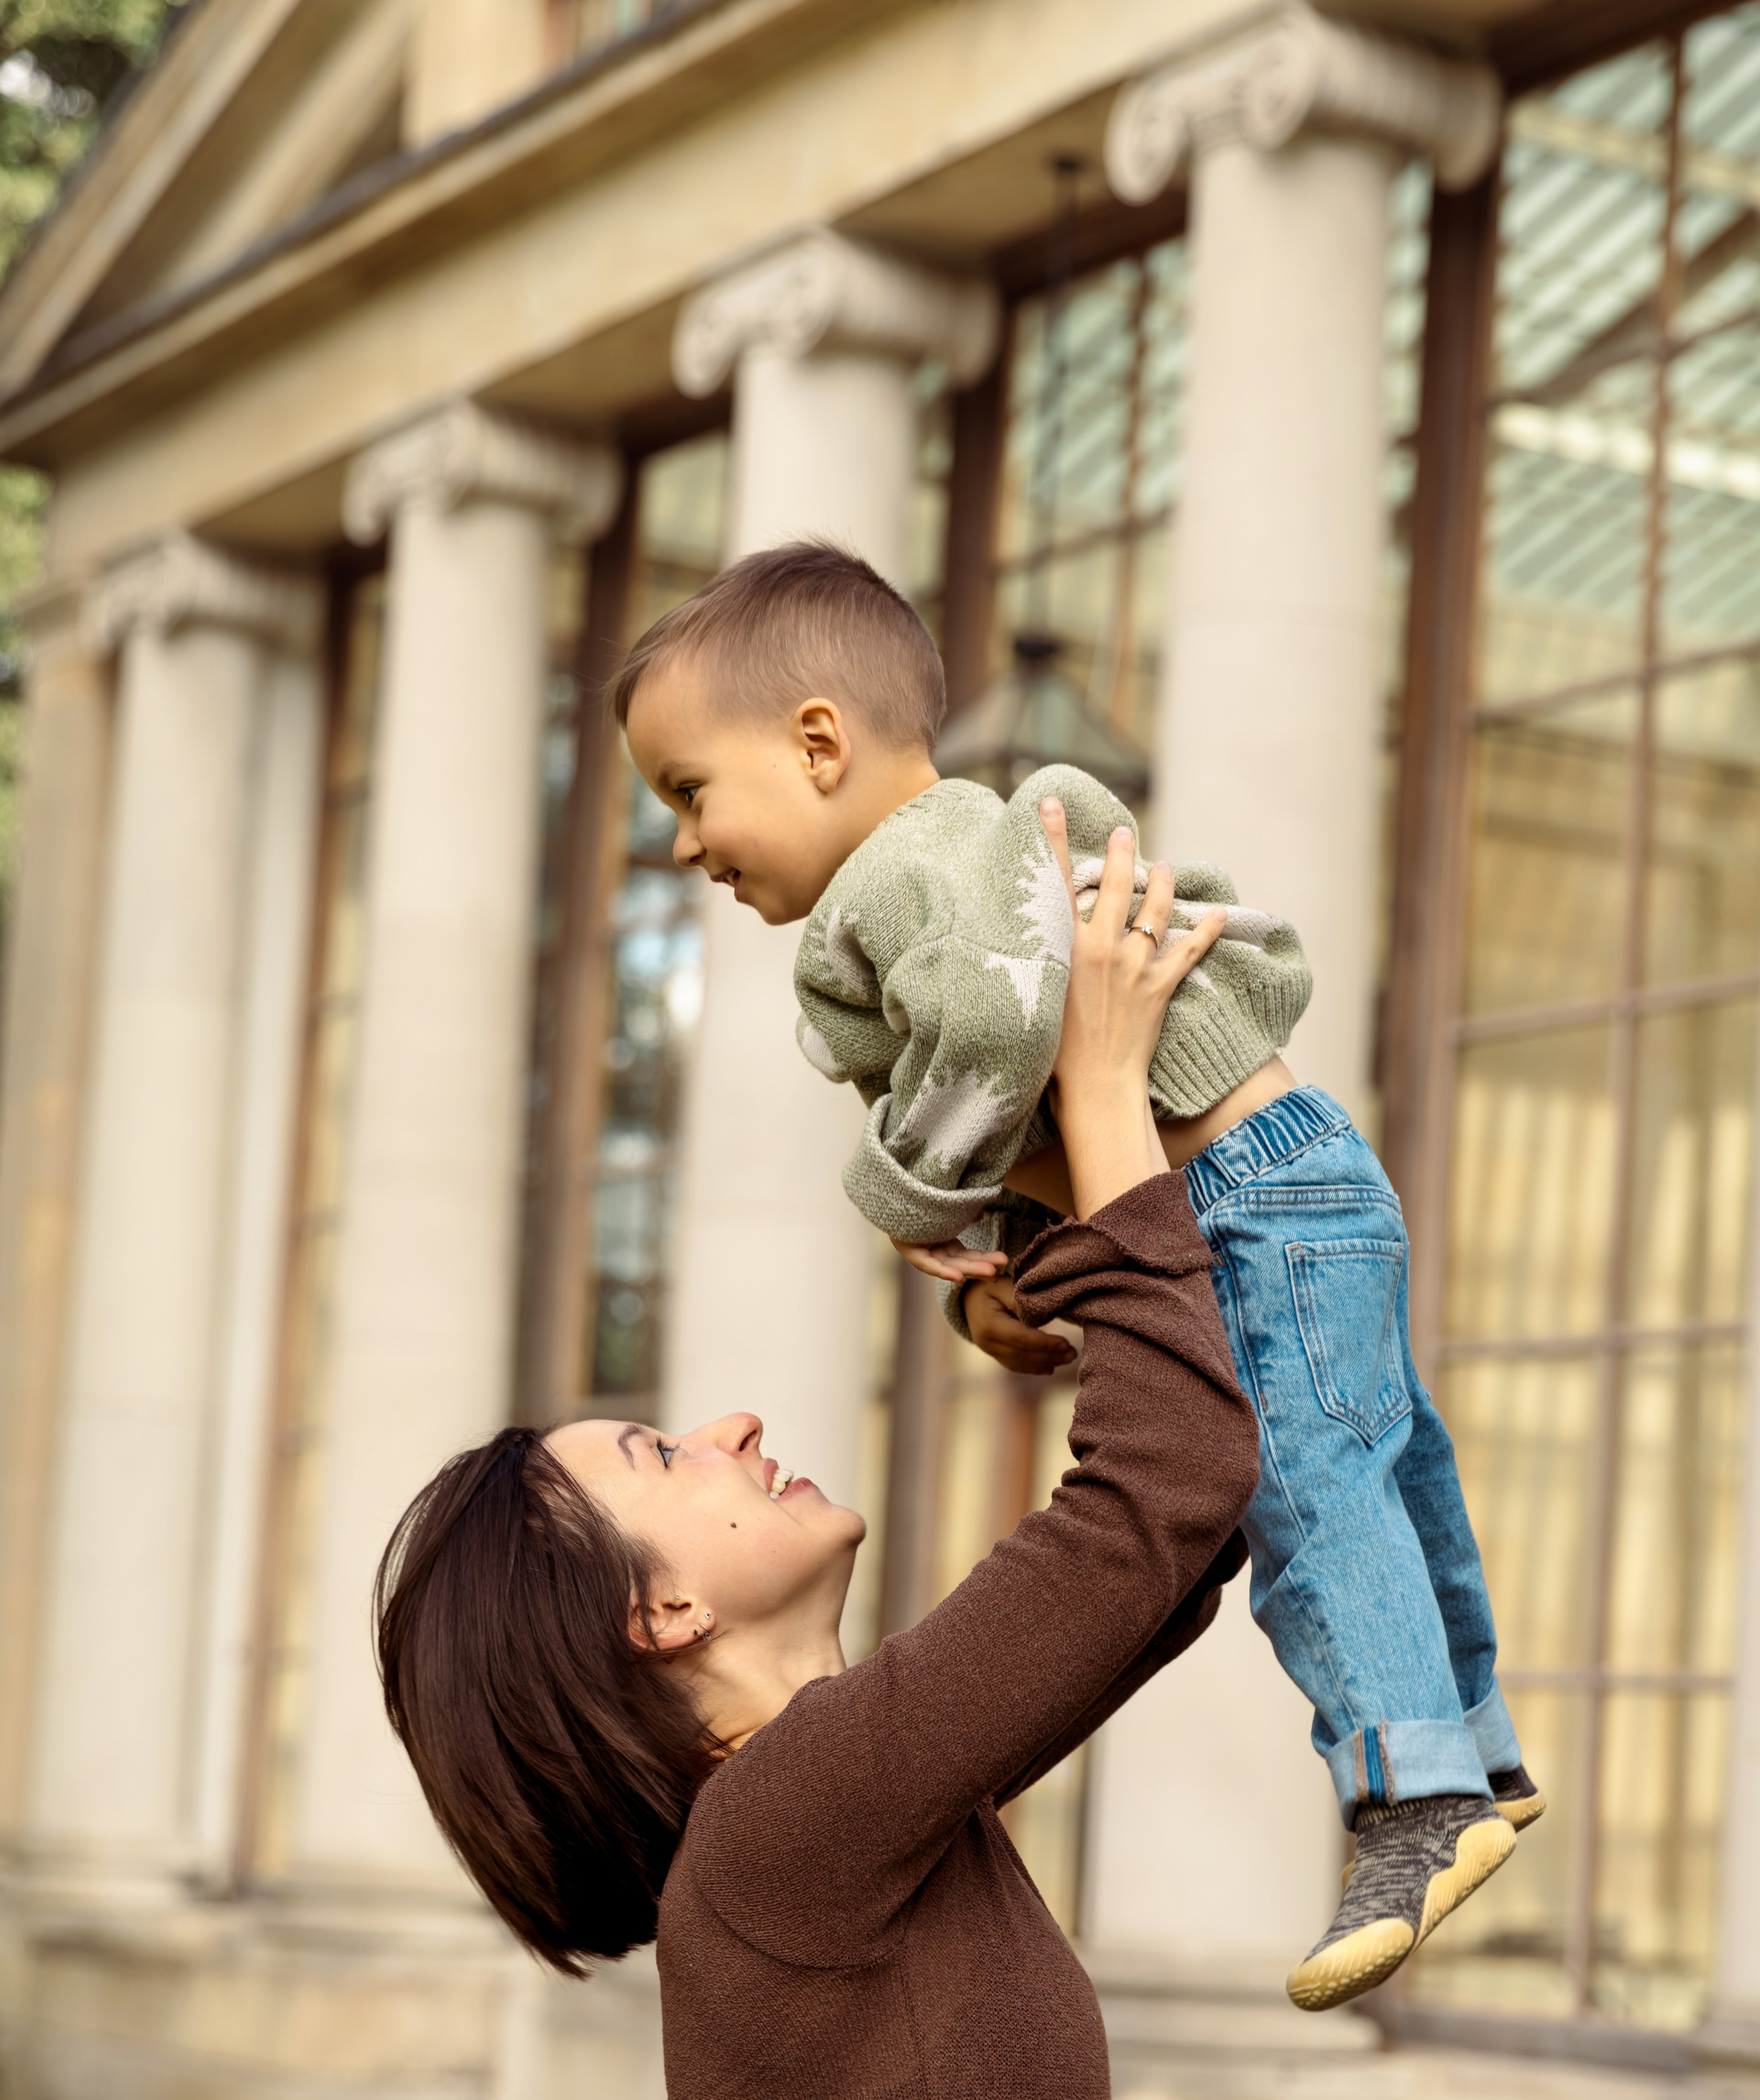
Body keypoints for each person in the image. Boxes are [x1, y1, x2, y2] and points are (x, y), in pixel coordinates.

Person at [377, 831, 1255, 2100]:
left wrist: (1068, 1229)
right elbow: (1161, 1497)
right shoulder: (789, 1832)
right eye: (659, 1452)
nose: (730, 1426)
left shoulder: (831, 1834)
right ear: (660, 1607)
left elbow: (1181, 1530)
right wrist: (1089, 1095)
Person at [615, 538, 1541, 2014]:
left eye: (685, 790)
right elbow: (1059, 1076)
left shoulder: (903, 873)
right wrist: (1019, 1267)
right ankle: (1474, 1740)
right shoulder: (969, 847)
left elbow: (1004, 1025)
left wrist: (904, 1194)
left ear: (814, 745)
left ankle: (1411, 1794)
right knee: (1386, 1458)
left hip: (1246, 1199)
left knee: (1302, 1486)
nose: (680, 844)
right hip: (1289, 1170)